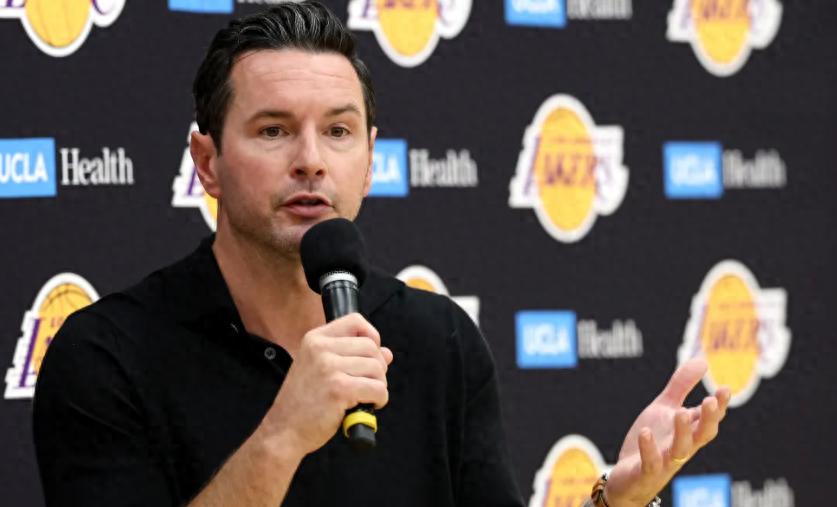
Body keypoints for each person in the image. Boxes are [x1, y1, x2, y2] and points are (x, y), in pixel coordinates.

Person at [32, 3, 730, 507]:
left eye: (338, 131)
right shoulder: (104, 355)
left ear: (369, 160)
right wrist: (282, 435)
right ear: (207, 162)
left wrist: (616, 499)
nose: (311, 160)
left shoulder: (437, 339)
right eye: (273, 130)